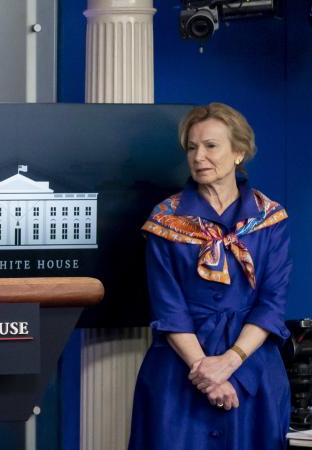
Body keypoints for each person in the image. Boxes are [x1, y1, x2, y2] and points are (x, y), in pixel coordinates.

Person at [129, 103, 291, 449]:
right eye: (192, 147)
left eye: (211, 146)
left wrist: (231, 363)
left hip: (253, 371)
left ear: (239, 152)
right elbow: (167, 309)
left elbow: (272, 303)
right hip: (180, 372)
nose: (199, 156)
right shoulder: (165, 220)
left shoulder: (270, 218)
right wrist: (207, 374)